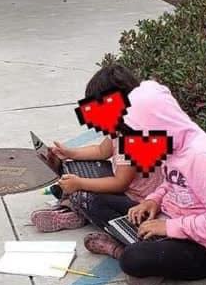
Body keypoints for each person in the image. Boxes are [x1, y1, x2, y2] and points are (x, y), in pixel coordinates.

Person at [83, 79, 206, 285]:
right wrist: (153, 201)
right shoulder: (172, 142)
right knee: (97, 201)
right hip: (171, 220)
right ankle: (144, 247)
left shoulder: (201, 157)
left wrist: (169, 227)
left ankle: (124, 251)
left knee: (133, 259)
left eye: (137, 133)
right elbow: (172, 183)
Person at [29, 64, 162, 232]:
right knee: (71, 166)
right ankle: (73, 205)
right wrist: (70, 153)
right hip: (124, 184)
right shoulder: (121, 126)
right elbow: (102, 151)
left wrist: (80, 183)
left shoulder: (134, 138)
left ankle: (75, 212)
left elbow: (120, 183)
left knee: (92, 199)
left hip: (138, 201)